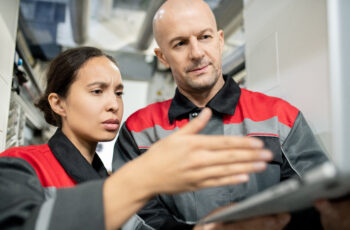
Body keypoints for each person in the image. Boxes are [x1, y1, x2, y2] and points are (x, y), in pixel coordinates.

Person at [112, 0, 336, 229]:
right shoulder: (138, 130)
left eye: (204, 37)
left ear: (220, 40)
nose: (196, 53)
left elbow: (318, 201)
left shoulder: (280, 117)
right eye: (180, 43)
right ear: (162, 57)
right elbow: (132, 214)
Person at [0, 46, 278, 230]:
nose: (113, 104)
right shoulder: (20, 164)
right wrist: (145, 177)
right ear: (58, 104)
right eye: (97, 91)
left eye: (118, 93)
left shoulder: (108, 180)